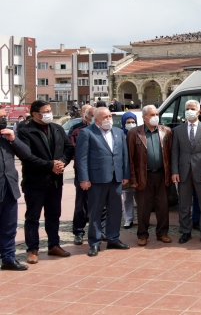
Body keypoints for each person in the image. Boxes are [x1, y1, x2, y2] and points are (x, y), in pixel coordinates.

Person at [17, 100, 75, 264]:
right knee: (33, 217)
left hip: (55, 181)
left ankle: (53, 245)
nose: (49, 113)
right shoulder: (25, 131)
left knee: (53, 215)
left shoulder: (57, 129)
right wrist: (50, 165)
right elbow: (27, 157)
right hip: (35, 182)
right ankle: (32, 249)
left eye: (50, 110)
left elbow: (69, 148)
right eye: (46, 111)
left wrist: (61, 163)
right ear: (35, 114)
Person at [76, 107, 131, 257]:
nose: (108, 119)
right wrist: (84, 178)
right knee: (96, 211)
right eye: (105, 117)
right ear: (96, 120)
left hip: (116, 178)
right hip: (96, 179)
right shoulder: (86, 133)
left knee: (115, 210)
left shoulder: (118, 132)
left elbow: (124, 155)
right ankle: (94, 242)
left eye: (109, 116)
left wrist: (125, 174)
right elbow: (81, 158)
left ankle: (113, 238)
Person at [127, 105, 173, 246]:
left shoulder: (166, 131)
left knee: (163, 206)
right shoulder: (134, 133)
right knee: (143, 207)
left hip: (161, 174)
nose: (155, 117)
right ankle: (142, 234)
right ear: (144, 117)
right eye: (152, 114)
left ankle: (162, 233)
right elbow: (130, 157)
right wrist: (132, 178)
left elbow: (170, 155)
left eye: (157, 114)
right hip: (143, 176)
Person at [171, 100, 201, 244]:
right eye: (187, 108)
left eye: (192, 109)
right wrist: (175, 171)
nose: (189, 111)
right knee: (184, 204)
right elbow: (175, 152)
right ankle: (185, 231)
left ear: (198, 111)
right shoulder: (178, 130)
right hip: (183, 173)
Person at [0, 106, 32, 271]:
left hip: (9, 188)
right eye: (1, 117)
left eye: (4, 117)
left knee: (9, 226)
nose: (4, 120)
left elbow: (26, 154)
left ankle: (8, 259)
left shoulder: (7, 137)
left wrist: (13, 139)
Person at [70, 106, 106, 245]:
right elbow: (75, 151)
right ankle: (79, 231)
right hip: (83, 173)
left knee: (101, 204)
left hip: (100, 173)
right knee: (81, 203)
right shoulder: (77, 131)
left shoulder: (104, 130)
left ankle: (101, 230)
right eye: (91, 115)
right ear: (86, 116)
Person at [120, 112, 138, 229]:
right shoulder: (120, 135)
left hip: (138, 170)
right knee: (127, 196)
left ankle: (142, 218)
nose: (131, 124)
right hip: (125, 170)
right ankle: (128, 218)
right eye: (128, 122)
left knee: (140, 196)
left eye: (133, 122)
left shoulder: (139, 133)